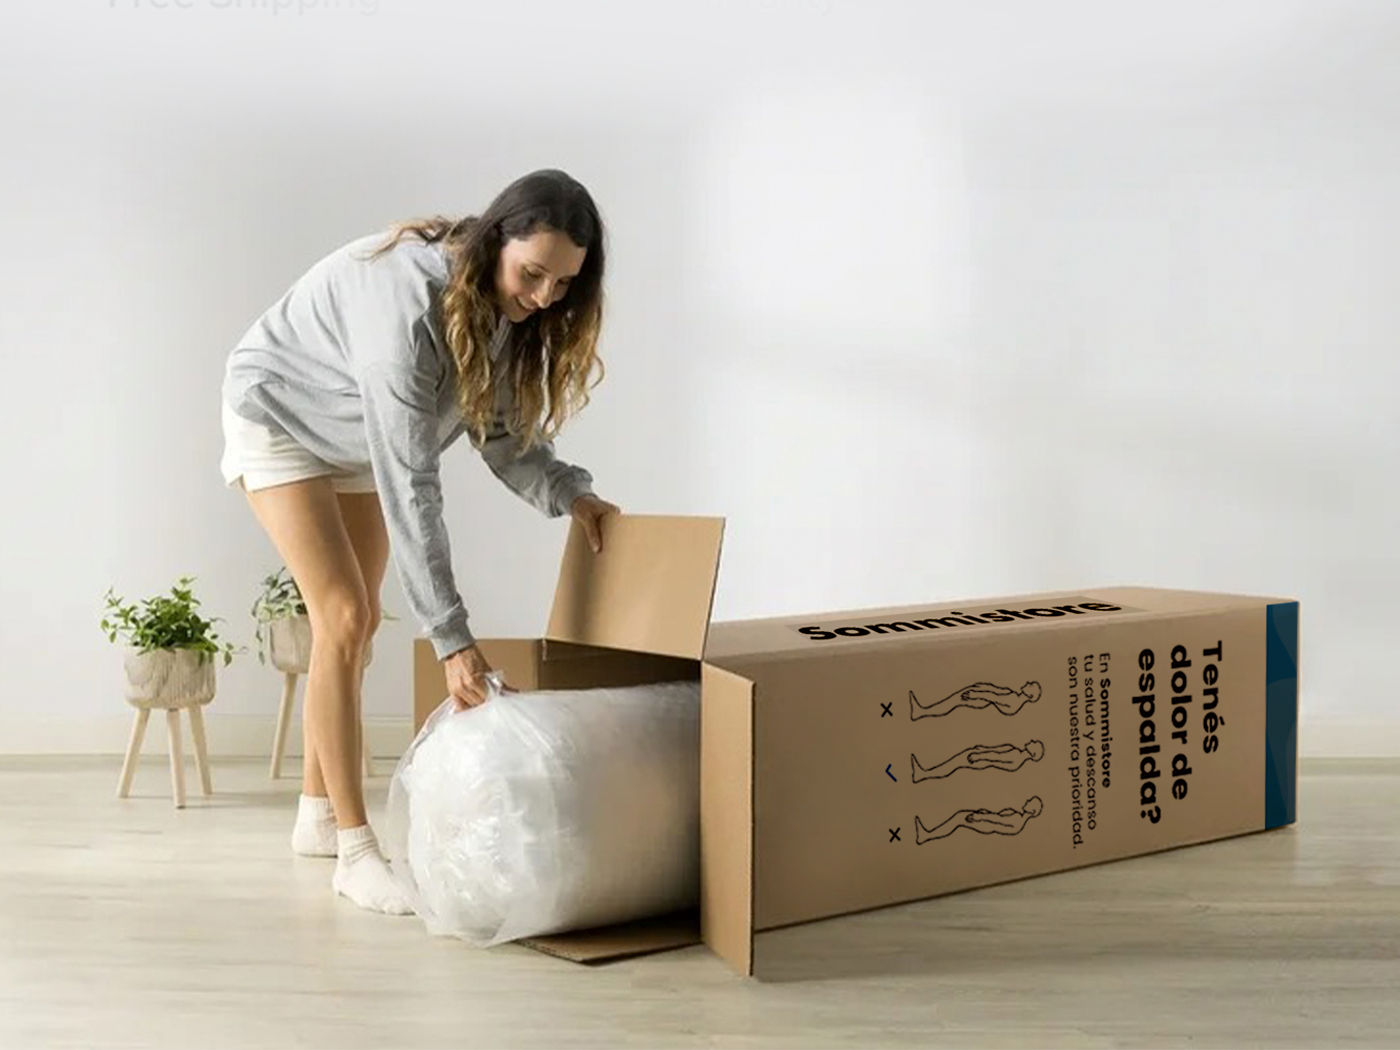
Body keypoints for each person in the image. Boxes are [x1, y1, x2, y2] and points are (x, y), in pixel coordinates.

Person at [219, 169, 620, 915]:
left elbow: (499, 434)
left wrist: (572, 493)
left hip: (353, 436)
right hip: (280, 414)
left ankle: (315, 812)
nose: (542, 299)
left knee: (359, 619)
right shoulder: (404, 314)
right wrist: (452, 640)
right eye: (532, 275)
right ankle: (354, 849)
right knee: (342, 617)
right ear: (495, 239)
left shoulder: (500, 306)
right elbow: (412, 486)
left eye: (563, 284)